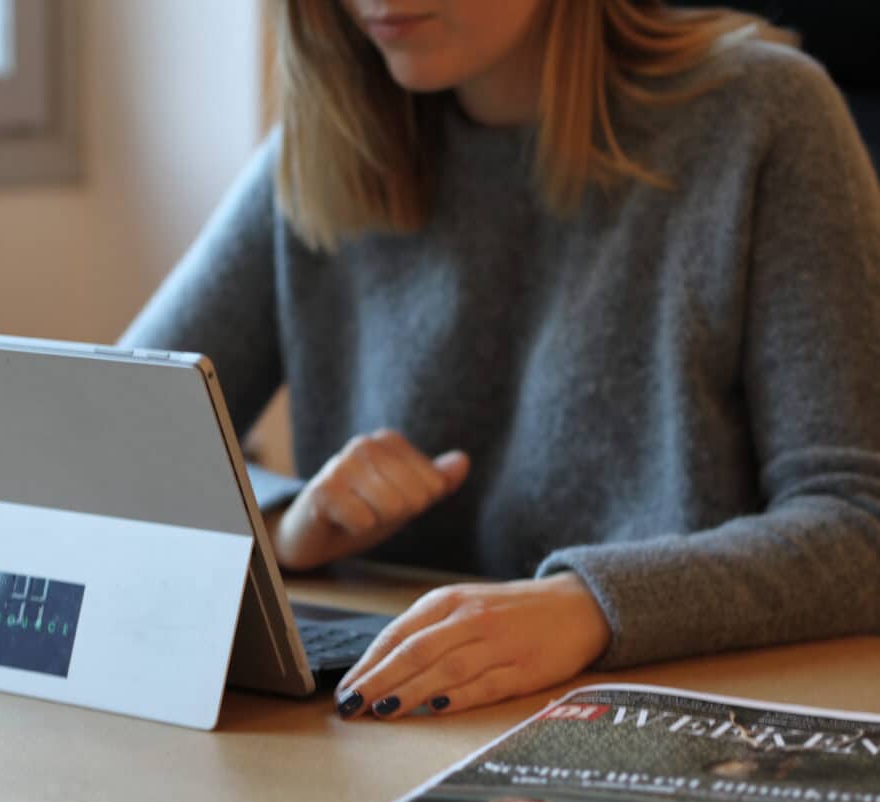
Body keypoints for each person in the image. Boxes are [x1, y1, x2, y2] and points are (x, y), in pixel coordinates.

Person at [120, 1, 880, 722]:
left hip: (667, 715)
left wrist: (588, 607)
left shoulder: (763, 114)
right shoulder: (335, 139)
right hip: (393, 727)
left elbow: (858, 527)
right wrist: (287, 521)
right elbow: (108, 438)